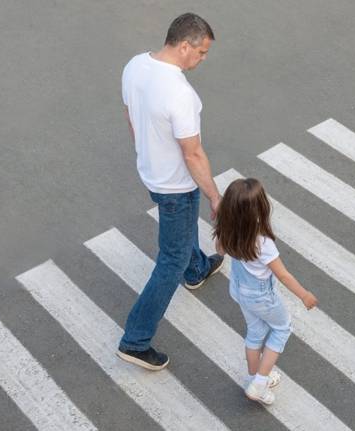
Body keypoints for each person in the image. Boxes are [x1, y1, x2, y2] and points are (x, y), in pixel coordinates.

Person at [117, 13, 224, 371]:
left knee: (181, 235)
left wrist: (145, 151)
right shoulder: (180, 93)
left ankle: (195, 270)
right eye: (202, 52)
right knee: (169, 260)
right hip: (174, 184)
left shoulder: (135, 66)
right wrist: (215, 196)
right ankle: (135, 340)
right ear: (184, 46)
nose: (203, 60)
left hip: (151, 172)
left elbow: (131, 113)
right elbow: (192, 153)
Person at [213, 178, 318, 405]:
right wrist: (304, 295)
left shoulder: (228, 230)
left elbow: (219, 250)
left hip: (240, 290)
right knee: (282, 329)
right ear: (260, 208)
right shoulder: (262, 242)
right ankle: (259, 383)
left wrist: (222, 223)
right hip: (261, 296)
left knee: (255, 331)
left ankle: (254, 377)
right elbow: (283, 275)